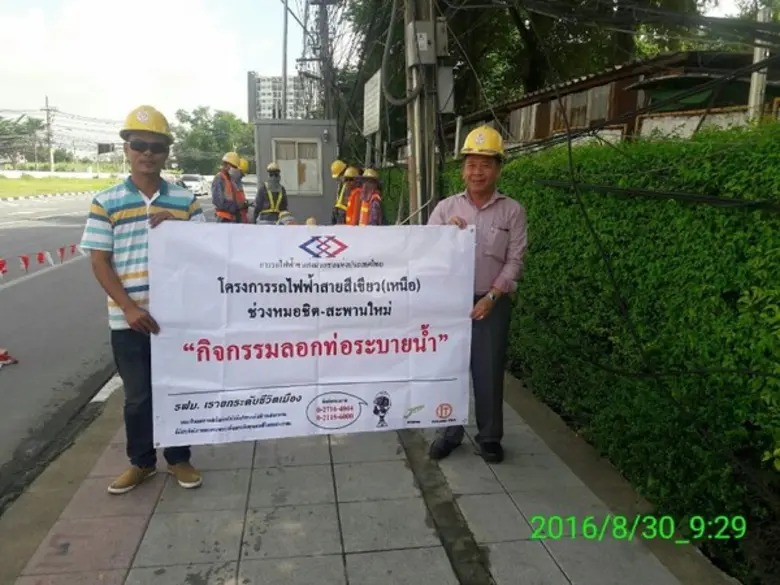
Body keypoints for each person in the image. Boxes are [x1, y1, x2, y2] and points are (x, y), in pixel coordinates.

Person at [79, 105, 206, 494]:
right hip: (129, 320)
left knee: (177, 390)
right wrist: (129, 307)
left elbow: (208, 250)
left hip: (177, 318)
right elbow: (99, 261)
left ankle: (179, 458)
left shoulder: (185, 200)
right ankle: (142, 462)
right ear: (126, 149)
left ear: (167, 152)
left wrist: (180, 226)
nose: (148, 153)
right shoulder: (106, 201)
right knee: (138, 398)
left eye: (157, 146)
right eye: (139, 145)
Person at [426, 125, 528, 464]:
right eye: (471, 164)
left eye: (486, 164)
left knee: (489, 371)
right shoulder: (445, 209)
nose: (477, 172)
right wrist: (444, 236)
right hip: (449, 305)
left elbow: (515, 260)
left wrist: (492, 297)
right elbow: (425, 253)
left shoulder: (512, 211)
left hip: (492, 302)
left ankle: (490, 437)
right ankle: (448, 433)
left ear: (498, 169)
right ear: (463, 170)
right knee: (449, 369)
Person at [212, 152, 248, 223]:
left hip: (231, 218)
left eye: (235, 167)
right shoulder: (219, 178)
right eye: (233, 166)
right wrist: (237, 206)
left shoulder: (230, 179)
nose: (235, 169)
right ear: (226, 164)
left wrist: (241, 205)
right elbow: (218, 202)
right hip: (223, 219)